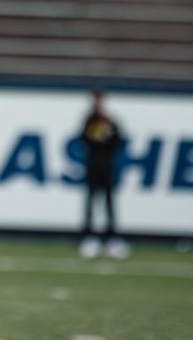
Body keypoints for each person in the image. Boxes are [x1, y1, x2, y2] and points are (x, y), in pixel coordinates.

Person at [77, 89, 128, 260]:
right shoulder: (89, 120)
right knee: (91, 202)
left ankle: (112, 238)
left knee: (108, 203)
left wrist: (107, 135)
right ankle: (89, 238)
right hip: (92, 166)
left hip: (106, 167)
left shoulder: (110, 121)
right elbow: (84, 140)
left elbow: (118, 141)